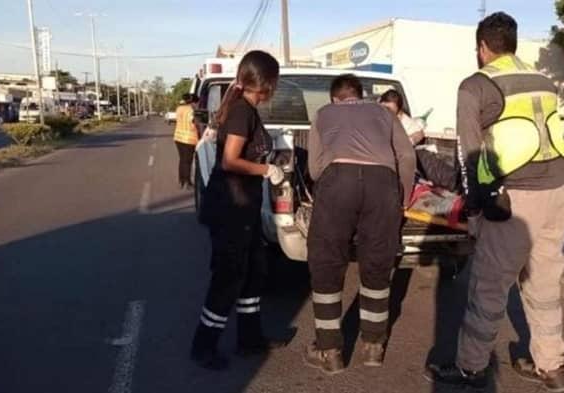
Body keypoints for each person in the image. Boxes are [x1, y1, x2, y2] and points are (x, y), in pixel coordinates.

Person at [427, 12, 564, 392]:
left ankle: (471, 369)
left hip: (516, 198)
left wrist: (479, 203)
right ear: (513, 44)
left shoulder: (475, 85)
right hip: (559, 191)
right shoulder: (544, 81)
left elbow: (469, 152)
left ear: (481, 48)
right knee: (544, 281)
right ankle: (551, 366)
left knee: (489, 286)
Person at [304, 74, 416, 374]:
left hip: (337, 182)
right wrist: (402, 198)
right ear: (361, 95)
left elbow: (314, 169)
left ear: (334, 99)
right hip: (383, 184)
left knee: (327, 262)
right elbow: (406, 155)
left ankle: (330, 352)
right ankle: (373, 347)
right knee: (378, 263)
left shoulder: (323, 114)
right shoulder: (383, 112)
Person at [190, 50, 288, 371]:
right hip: (232, 207)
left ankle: (250, 339)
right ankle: (203, 347)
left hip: (243, 208)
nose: (272, 91)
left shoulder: (242, 105)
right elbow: (230, 160)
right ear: (265, 83)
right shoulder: (241, 112)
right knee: (229, 278)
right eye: (272, 84)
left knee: (253, 273)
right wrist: (265, 171)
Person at [173, 93, 199, 189]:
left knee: (182, 159)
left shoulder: (179, 108)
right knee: (188, 161)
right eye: (197, 103)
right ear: (194, 102)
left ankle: (182, 180)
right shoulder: (192, 110)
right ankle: (187, 182)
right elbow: (194, 122)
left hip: (178, 137)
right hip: (189, 138)